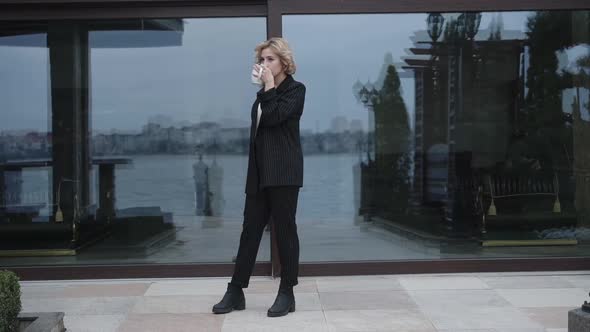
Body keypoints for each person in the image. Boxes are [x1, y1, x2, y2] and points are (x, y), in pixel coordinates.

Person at [212, 37, 306, 318]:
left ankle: (287, 293)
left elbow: (276, 117)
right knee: (249, 231)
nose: (264, 65)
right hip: (259, 173)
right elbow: (260, 132)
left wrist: (268, 87)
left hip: (284, 173)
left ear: (284, 63)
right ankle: (236, 290)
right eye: (261, 60)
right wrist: (265, 89)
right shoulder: (263, 95)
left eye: (270, 60)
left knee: (285, 231)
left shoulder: (296, 90)